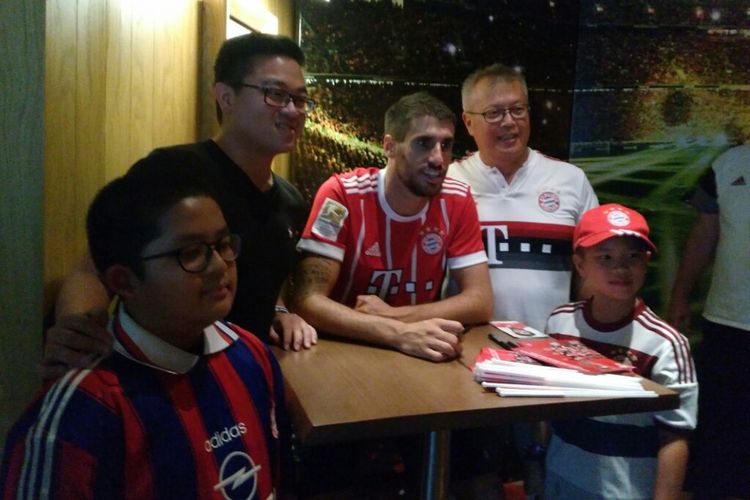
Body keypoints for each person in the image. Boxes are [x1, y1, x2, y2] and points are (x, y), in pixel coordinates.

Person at [1, 162, 288, 499]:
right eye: (191, 253)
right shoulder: (86, 407)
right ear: (124, 281)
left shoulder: (250, 354)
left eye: (224, 244)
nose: (219, 266)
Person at [45, 33, 317, 379]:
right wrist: (76, 333)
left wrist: (280, 309)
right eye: (276, 94)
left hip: (244, 375)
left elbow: (267, 274)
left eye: (301, 98)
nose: (293, 111)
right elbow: (95, 268)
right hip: (165, 377)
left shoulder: (290, 200)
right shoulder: (174, 172)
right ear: (226, 97)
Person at [447, 63, 599, 497]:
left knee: (544, 472)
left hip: (550, 363)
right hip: (467, 362)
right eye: (494, 113)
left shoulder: (569, 181)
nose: (509, 122)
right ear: (469, 122)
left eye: (518, 109)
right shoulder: (450, 183)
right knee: (477, 478)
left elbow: (590, 273)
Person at [290, 91, 492, 362]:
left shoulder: (458, 199)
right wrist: (397, 333)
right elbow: (307, 301)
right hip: (342, 349)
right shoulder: (340, 195)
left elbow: (480, 301)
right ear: (389, 146)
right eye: (424, 144)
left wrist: (394, 317)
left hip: (419, 348)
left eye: (445, 145)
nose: (438, 158)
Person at [544, 203, 698, 499]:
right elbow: (545, 404)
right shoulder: (560, 321)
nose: (621, 269)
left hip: (626, 491)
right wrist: (537, 463)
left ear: (647, 262)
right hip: (559, 477)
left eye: (633, 257)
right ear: (580, 264)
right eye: (605, 257)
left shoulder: (665, 343)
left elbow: (675, 435)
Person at [667, 144, 750, 499]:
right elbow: (705, 233)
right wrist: (681, 294)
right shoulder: (729, 162)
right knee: (721, 439)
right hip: (728, 324)